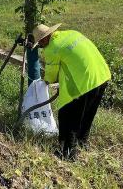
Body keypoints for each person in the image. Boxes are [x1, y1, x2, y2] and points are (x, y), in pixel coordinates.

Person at [32, 24, 111, 160]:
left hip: (84, 82)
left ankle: (68, 153)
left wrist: (45, 82)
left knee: (67, 115)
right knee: (88, 113)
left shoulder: (52, 48)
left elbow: (51, 76)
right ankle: (83, 143)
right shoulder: (71, 33)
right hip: (102, 75)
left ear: (43, 40)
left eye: (39, 43)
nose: (40, 46)